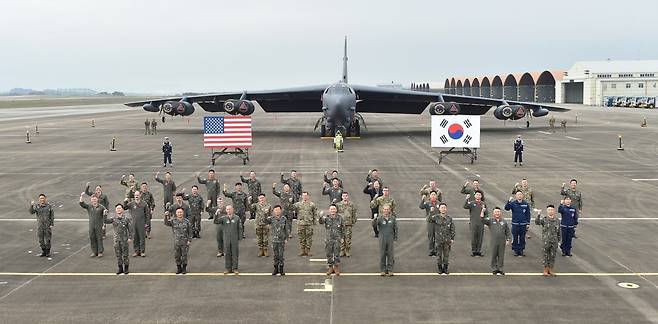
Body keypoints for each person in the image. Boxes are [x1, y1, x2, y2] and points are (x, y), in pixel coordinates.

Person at [481, 207, 512, 275]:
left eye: (498, 212)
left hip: (502, 241)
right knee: (493, 255)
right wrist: (482, 212)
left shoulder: (504, 221)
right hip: (494, 241)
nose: (497, 213)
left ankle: (500, 268)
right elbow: (482, 220)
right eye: (495, 212)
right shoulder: (490, 220)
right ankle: (494, 268)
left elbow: (508, 231)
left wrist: (508, 239)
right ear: (493, 213)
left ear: (500, 213)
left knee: (501, 256)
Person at [104, 204, 133, 275]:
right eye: (117, 208)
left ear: (122, 210)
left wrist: (130, 237)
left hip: (124, 239)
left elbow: (130, 229)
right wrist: (104, 214)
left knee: (125, 254)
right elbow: (105, 221)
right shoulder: (113, 218)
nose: (118, 209)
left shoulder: (126, 219)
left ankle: (126, 268)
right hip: (116, 240)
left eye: (120, 208)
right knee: (118, 254)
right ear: (115, 210)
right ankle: (120, 268)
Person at [164, 207, 193, 274]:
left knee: (184, 255)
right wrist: (166, 216)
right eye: (178, 212)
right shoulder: (173, 221)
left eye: (181, 212)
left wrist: (189, 240)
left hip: (185, 242)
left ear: (183, 213)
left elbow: (190, 232)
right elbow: (166, 223)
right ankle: (179, 268)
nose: (179, 213)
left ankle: (184, 268)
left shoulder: (187, 221)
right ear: (176, 213)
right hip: (177, 242)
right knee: (177, 255)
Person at [319, 205, 345, 275]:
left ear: (336, 210)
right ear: (329, 210)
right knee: (329, 253)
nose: (333, 210)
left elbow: (343, 228)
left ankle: (336, 267)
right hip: (329, 239)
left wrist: (342, 237)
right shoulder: (327, 218)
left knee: (337, 253)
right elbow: (321, 222)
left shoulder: (340, 218)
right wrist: (320, 216)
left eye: (334, 209)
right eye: (331, 209)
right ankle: (330, 267)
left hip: (337, 239)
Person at [123, 191, 151, 257]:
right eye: (135, 195)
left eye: (138, 195)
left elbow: (147, 214)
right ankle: (136, 251)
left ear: (140, 195)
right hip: (134, 223)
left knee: (142, 238)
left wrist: (147, 223)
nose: (136, 196)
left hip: (141, 223)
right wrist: (125, 201)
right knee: (135, 237)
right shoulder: (131, 203)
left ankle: (142, 251)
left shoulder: (144, 204)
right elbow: (124, 208)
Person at [79, 193, 108, 257]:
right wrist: (81, 197)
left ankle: (100, 251)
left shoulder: (101, 207)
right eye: (92, 199)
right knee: (92, 238)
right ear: (91, 200)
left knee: (99, 238)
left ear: (97, 199)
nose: (94, 200)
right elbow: (82, 204)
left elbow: (105, 216)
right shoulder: (89, 206)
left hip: (99, 225)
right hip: (91, 225)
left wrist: (104, 225)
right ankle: (94, 252)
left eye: (95, 199)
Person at [430, 202, 455, 274]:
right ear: (439, 209)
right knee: (439, 255)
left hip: (447, 240)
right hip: (439, 239)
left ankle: (446, 268)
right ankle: (440, 268)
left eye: (444, 208)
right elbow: (429, 220)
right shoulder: (436, 217)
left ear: (446, 209)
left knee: (446, 255)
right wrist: (431, 212)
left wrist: (452, 238)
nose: (443, 209)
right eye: (442, 208)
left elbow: (452, 228)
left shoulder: (449, 218)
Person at [535, 205, 561, 276]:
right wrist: (538, 214)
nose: (550, 211)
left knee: (552, 256)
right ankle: (545, 270)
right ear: (547, 211)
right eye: (549, 210)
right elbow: (537, 222)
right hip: (546, 240)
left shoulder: (557, 220)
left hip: (554, 241)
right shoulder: (544, 219)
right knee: (545, 255)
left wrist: (559, 241)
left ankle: (551, 269)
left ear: (554, 211)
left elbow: (559, 231)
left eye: (552, 210)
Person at [264, 205, 289, 275]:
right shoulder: (271, 219)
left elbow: (286, 229)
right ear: (273, 211)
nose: (277, 211)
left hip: (281, 240)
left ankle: (281, 269)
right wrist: (266, 213)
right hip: (274, 239)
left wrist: (286, 238)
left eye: (278, 210)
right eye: (276, 210)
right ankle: (275, 268)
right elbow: (265, 221)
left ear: (281, 211)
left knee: (281, 255)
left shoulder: (284, 219)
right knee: (275, 255)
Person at [504, 191, 531, 257]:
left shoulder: (525, 204)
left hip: (523, 224)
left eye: (520, 194)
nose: (519, 196)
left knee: (522, 238)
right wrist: (509, 201)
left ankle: (521, 250)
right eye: (518, 195)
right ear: (516, 196)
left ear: (522, 195)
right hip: (515, 224)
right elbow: (506, 208)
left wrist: (528, 223)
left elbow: (528, 214)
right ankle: (516, 250)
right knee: (515, 237)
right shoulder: (513, 203)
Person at [219, 205, 243, 274]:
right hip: (226, 239)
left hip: (234, 239)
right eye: (227, 209)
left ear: (233, 210)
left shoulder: (236, 218)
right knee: (227, 254)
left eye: (230, 209)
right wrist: (216, 214)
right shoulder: (223, 218)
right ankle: (228, 268)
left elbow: (240, 228)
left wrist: (240, 237)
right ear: (226, 210)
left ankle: (235, 268)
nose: (229, 211)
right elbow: (216, 221)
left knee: (235, 253)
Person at [292, 192, 318, 256]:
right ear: (301, 196)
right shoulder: (298, 204)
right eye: (303, 196)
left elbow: (315, 213)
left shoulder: (312, 204)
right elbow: (291, 208)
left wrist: (314, 222)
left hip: (309, 224)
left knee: (309, 238)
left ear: (308, 196)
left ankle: (308, 250)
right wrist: (290, 202)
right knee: (301, 238)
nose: (305, 197)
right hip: (301, 224)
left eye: (306, 196)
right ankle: (302, 250)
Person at [375, 205, 397, 276]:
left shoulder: (393, 218)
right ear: (382, 210)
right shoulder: (379, 218)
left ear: (389, 210)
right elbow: (374, 225)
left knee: (390, 254)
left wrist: (395, 237)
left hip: (390, 238)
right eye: (385, 209)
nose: (386, 211)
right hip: (382, 238)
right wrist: (374, 219)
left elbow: (395, 228)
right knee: (382, 254)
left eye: (387, 209)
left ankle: (390, 269)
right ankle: (383, 269)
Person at [464, 191, 488, 257]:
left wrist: (485, 221)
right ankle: (474, 251)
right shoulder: (472, 203)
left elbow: (486, 213)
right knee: (473, 237)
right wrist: (466, 199)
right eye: (477, 194)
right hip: (473, 223)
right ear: (475, 196)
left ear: (481, 196)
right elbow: (465, 206)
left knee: (480, 237)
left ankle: (478, 251)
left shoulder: (483, 204)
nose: (478, 196)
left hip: (481, 223)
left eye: (479, 195)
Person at [419, 191, 441, 257]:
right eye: (432, 195)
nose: (433, 196)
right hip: (430, 222)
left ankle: (437, 250)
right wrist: (423, 200)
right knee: (431, 237)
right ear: (430, 196)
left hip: (437, 223)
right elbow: (421, 207)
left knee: (438, 237)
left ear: (436, 196)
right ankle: (432, 250)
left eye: (434, 195)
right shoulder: (428, 203)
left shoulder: (439, 203)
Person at [337, 192, 357, 257]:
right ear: (342, 197)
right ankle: (342, 250)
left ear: (348, 197)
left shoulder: (351, 204)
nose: (345, 197)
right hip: (341, 224)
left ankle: (347, 250)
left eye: (346, 196)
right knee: (341, 238)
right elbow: (335, 213)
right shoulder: (338, 204)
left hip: (348, 224)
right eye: (343, 196)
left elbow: (354, 213)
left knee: (348, 238)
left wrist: (353, 221)